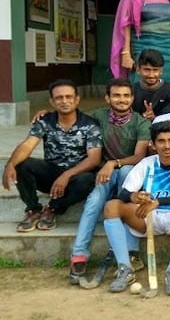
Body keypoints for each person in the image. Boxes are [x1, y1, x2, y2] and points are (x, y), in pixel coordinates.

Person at [103, 121, 170, 295]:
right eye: (161, 141)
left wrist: (158, 202)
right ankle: (125, 268)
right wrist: (134, 196)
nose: (167, 146)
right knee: (112, 206)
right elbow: (124, 193)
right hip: (146, 218)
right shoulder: (146, 163)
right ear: (153, 144)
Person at [69, 79, 150, 283]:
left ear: (132, 98)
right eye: (116, 95)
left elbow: (139, 156)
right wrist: (45, 115)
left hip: (127, 172)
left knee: (127, 172)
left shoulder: (141, 123)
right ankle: (79, 255)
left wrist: (113, 163)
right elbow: (69, 118)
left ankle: (128, 245)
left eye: (126, 96)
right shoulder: (97, 116)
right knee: (94, 201)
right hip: (105, 175)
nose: (121, 100)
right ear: (108, 98)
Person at [3, 80, 101, 233]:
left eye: (69, 97)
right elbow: (27, 145)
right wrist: (10, 164)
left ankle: (52, 209)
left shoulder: (90, 124)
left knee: (89, 180)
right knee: (22, 164)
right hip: (51, 175)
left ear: (77, 99)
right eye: (59, 98)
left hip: (76, 177)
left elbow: (94, 159)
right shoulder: (45, 121)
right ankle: (34, 210)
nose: (64, 101)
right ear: (52, 101)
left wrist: (67, 175)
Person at [131, 49, 170, 121]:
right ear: (138, 69)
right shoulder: (132, 91)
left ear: (161, 71)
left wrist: (154, 118)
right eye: (147, 70)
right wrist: (142, 119)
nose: (151, 75)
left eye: (155, 70)